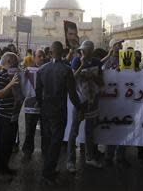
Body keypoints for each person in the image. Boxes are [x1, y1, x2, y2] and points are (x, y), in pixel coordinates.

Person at [36, 41, 83, 185]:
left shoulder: (42, 69)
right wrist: (80, 107)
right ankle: (48, 173)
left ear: (50, 53)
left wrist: (42, 106)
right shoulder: (66, 70)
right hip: (59, 111)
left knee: (48, 142)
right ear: (62, 52)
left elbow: (38, 92)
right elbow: (72, 94)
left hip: (45, 110)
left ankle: (48, 169)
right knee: (56, 143)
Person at [67, 40, 104, 172]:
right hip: (79, 102)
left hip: (92, 100)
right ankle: (70, 161)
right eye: (82, 50)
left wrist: (93, 76)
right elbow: (70, 79)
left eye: (85, 50)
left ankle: (89, 157)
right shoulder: (76, 61)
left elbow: (101, 83)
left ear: (91, 51)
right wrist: (81, 65)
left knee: (90, 131)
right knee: (74, 131)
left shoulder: (97, 63)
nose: (82, 52)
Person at [0, 52, 23, 181]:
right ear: (9, 62)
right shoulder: (0, 76)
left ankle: (5, 167)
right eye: (16, 63)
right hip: (2, 116)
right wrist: (10, 84)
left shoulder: (12, 75)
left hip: (12, 116)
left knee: (9, 144)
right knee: (1, 145)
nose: (18, 65)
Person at [22, 49, 46, 160]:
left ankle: (45, 151)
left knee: (45, 130)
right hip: (31, 104)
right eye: (39, 56)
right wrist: (24, 75)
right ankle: (27, 151)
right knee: (30, 130)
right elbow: (22, 84)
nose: (41, 58)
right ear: (34, 57)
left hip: (45, 104)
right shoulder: (27, 70)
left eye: (43, 56)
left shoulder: (47, 69)